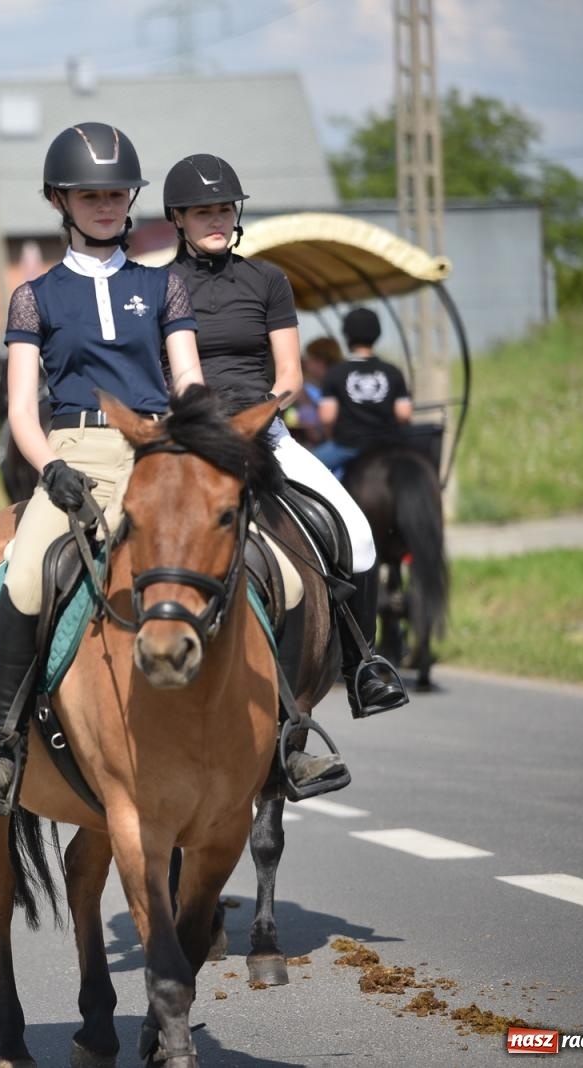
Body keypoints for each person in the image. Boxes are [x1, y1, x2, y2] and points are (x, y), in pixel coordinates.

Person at [0, 122, 205, 815]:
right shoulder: (34, 296)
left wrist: (194, 435)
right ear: (60, 200)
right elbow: (20, 408)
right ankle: (4, 748)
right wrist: (48, 469)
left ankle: (283, 729)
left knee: (238, 557)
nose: (107, 205)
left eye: (118, 193)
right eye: (91, 194)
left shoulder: (165, 288)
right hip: (72, 453)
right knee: (30, 574)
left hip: (156, 454)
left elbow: (185, 377)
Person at [163, 152, 406, 733]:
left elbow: (291, 374)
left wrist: (262, 413)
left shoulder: (268, 281)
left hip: (263, 432)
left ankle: (361, 663)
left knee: (359, 533)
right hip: (190, 436)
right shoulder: (157, 286)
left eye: (224, 209)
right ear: (177, 217)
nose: (216, 219)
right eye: (203, 212)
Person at [315, 308, 413, 475]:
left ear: (347, 335)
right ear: (377, 334)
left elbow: (327, 417)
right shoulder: (393, 371)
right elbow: (404, 414)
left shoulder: (336, 373)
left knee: (302, 471)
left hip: (347, 445)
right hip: (388, 445)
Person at [288, 336, 342, 446]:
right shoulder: (342, 385)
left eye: (309, 358)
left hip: (320, 445)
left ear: (320, 362)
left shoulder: (302, 391)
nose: (305, 362)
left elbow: (313, 433)